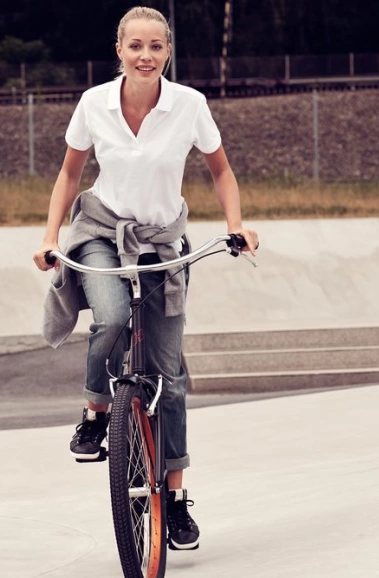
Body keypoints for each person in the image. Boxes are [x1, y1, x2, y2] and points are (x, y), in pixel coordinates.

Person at [32, 6, 258, 551]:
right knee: (108, 317)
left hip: (162, 243)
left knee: (170, 379)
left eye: (156, 47)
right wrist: (49, 237)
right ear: (120, 51)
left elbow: (221, 170)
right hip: (101, 231)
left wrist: (236, 226)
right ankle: (95, 412)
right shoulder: (94, 104)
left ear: (168, 53)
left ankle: (175, 502)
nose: (146, 55)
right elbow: (69, 172)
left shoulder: (190, 106)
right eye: (136, 45)